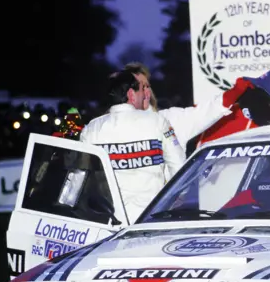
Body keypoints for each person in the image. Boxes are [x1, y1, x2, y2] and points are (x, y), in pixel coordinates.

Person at [80, 70, 187, 223]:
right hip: (152, 218)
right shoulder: (157, 121)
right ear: (131, 94)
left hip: (110, 222)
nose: (145, 95)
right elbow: (179, 166)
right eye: (142, 90)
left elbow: (81, 178)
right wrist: (176, 202)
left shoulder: (92, 129)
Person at [123, 62, 257, 146]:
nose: (144, 91)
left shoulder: (170, 120)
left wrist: (236, 91)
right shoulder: (110, 128)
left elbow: (207, 111)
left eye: (146, 86)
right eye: (136, 87)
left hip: (168, 192)